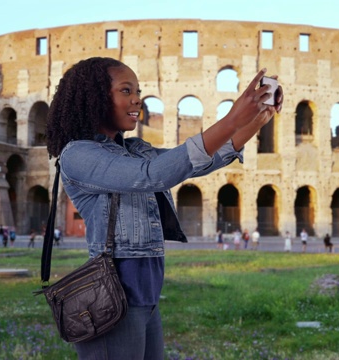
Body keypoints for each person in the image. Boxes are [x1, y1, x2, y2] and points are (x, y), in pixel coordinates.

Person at [45, 57, 282, 359]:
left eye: (138, 91)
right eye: (126, 90)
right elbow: (151, 175)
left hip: (147, 298)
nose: (137, 100)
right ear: (94, 95)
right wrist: (233, 118)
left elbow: (198, 161)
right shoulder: (78, 154)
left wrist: (258, 119)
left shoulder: (134, 150)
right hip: (113, 298)